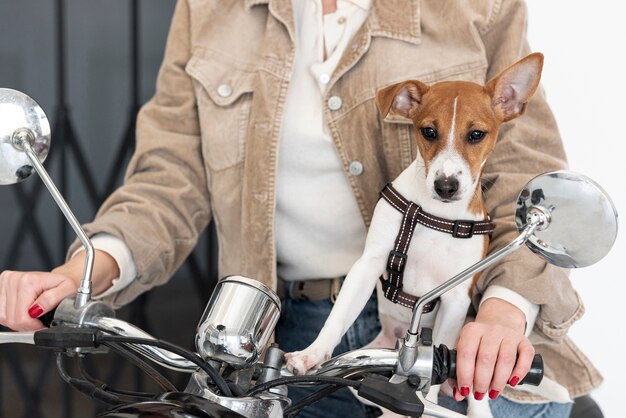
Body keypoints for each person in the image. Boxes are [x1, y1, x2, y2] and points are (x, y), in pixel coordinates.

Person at [0, 1, 602, 417]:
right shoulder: (211, 11)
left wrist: (501, 314)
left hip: (456, 332)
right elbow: (169, 176)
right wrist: (79, 275)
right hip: (295, 337)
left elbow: (528, 171)